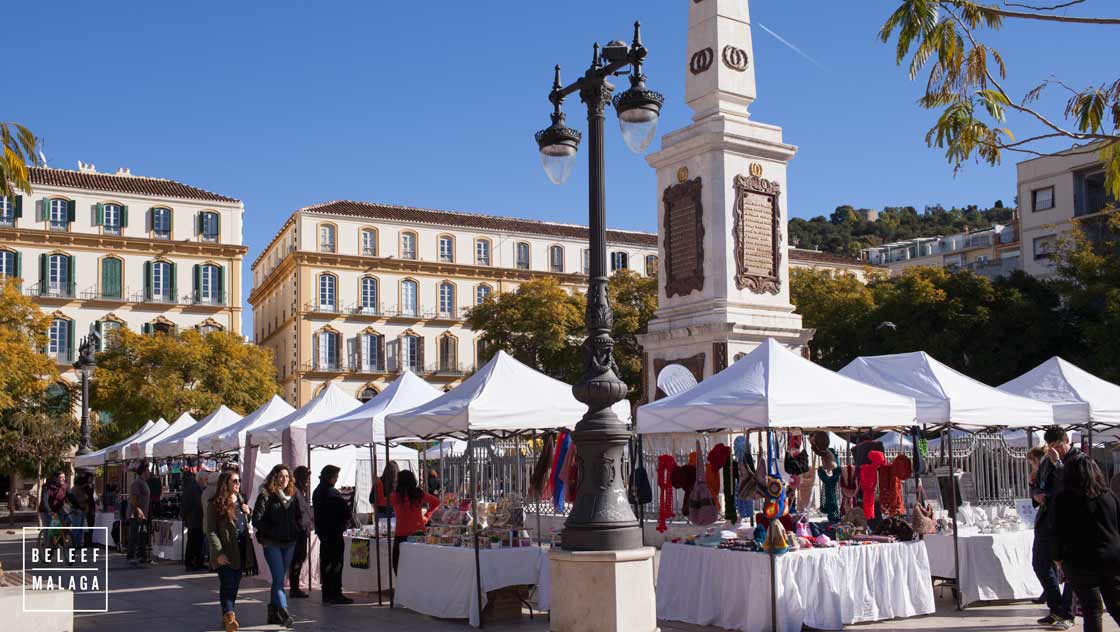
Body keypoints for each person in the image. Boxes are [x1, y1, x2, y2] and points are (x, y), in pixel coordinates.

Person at [1054, 457, 1120, 632]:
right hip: (1111, 557)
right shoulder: (1109, 496)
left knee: (1091, 610)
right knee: (1116, 605)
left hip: (1079, 560)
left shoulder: (1064, 499)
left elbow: (1058, 532)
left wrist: (1058, 558)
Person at [1035, 427, 1083, 629]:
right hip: (1047, 518)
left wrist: (1059, 463)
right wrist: (1036, 494)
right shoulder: (1046, 460)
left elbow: (1077, 485)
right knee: (1040, 563)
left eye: (1057, 446)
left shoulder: (1079, 460)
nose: (1055, 450)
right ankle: (1055, 608)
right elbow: (1038, 483)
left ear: (1066, 441)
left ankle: (1067, 613)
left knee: (1070, 569)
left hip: (1069, 522)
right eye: (1051, 447)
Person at [252, 465, 301, 628]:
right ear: (274, 477)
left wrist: (296, 529)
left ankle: (272, 613)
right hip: (271, 542)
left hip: (289, 542)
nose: (284, 479)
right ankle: (284, 611)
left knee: (279, 580)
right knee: (279, 578)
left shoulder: (292, 495)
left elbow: (297, 517)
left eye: (287, 477)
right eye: (281, 476)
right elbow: (256, 519)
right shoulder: (266, 495)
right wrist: (272, 530)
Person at [205, 469, 253, 632]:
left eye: (239, 480)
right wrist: (218, 553)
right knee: (227, 583)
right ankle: (230, 616)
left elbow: (243, 524)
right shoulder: (215, 503)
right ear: (225, 483)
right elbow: (210, 530)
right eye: (234, 481)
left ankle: (227, 614)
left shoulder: (241, 500)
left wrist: (248, 512)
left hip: (240, 550)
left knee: (234, 586)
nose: (238, 484)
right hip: (225, 551)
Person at [376, 470, 440, 573]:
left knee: (399, 566)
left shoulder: (396, 496)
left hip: (401, 534)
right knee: (419, 565)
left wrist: (378, 484)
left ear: (399, 481)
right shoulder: (418, 493)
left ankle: (404, 586)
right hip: (418, 532)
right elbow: (436, 502)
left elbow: (380, 501)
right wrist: (426, 516)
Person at [313, 465, 353, 605]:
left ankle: (327, 594)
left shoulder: (317, 491)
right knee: (335, 564)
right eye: (335, 477)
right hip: (334, 532)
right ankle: (335, 593)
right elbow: (345, 511)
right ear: (330, 477)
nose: (336, 479)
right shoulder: (331, 492)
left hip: (323, 533)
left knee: (326, 563)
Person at [289, 466, 313, 599]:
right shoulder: (295, 492)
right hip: (299, 530)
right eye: (306, 478)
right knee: (297, 558)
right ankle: (294, 587)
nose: (308, 481)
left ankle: (295, 586)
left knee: (300, 558)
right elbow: (297, 512)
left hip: (302, 529)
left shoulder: (300, 492)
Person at [128, 463, 152, 566]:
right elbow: (134, 497)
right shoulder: (137, 483)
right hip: (136, 514)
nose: (149, 472)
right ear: (143, 471)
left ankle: (142, 556)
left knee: (142, 535)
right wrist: (138, 509)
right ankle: (131, 556)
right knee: (134, 535)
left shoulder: (144, 482)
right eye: (148, 470)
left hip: (143, 514)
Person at [181, 471, 206, 570]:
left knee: (195, 541)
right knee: (194, 541)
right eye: (205, 480)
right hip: (194, 518)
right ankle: (191, 563)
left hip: (194, 518)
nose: (206, 482)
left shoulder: (194, 487)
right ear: (200, 479)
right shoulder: (194, 488)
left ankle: (194, 562)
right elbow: (196, 503)